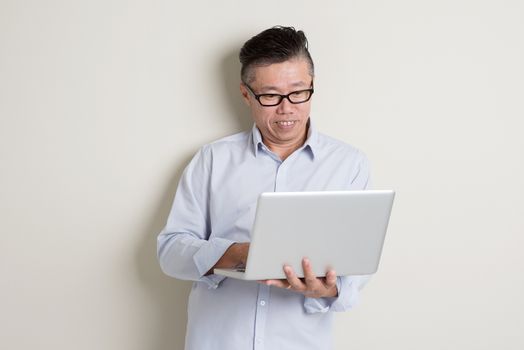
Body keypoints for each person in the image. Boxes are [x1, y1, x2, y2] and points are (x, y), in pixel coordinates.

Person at [157, 26, 371, 350]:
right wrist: (236, 255)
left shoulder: (349, 164)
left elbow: (357, 268)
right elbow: (170, 252)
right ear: (246, 94)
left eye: (298, 92)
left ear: (312, 87)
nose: (287, 108)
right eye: (270, 96)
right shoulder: (212, 160)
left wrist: (327, 289)